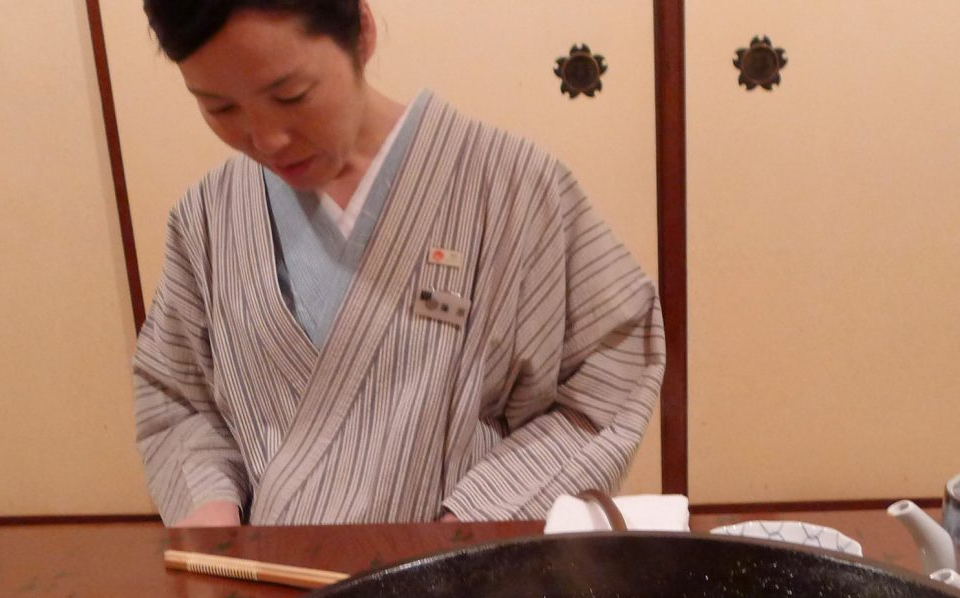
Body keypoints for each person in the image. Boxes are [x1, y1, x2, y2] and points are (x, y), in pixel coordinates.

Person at [133, 0, 666, 526]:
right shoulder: (207, 217)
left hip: (461, 579)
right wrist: (209, 509)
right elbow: (177, 397)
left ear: (362, 32)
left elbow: (603, 382)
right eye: (220, 108)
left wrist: (479, 517)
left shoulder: (512, 187)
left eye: (291, 95)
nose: (267, 138)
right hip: (273, 583)